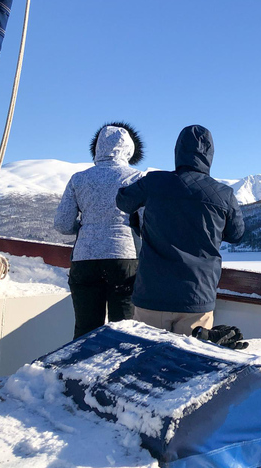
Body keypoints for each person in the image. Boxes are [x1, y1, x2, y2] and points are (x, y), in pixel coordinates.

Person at [116, 124, 245, 335]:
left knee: (146, 361)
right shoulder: (224, 194)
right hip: (197, 296)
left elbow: (123, 201)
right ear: (210, 155)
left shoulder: (155, 182)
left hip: (152, 294)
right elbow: (237, 234)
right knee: (189, 364)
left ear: (178, 151)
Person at [54, 122, 145, 339]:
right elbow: (146, 223)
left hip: (84, 259)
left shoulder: (79, 179)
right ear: (129, 149)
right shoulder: (136, 178)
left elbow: (62, 224)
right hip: (123, 258)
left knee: (85, 330)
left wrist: (86, 228)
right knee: (123, 332)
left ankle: (77, 370)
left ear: (97, 148)